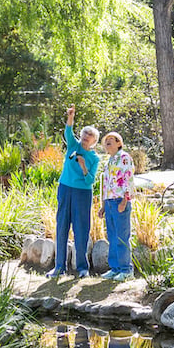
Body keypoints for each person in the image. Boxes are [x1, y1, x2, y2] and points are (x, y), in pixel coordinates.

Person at [46, 106, 100, 278]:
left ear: (94, 142)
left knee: (81, 229)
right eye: (84, 135)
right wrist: (71, 117)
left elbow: (90, 180)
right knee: (61, 227)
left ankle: (82, 268)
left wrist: (84, 166)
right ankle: (59, 267)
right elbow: (68, 131)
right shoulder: (73, 145)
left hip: (82, 193)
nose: (85, 138)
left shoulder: (94, 158)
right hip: (65, 189)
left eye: (89, 137)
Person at [97, 132, 135, 281]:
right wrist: (103, 205)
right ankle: (115, 268)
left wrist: (124, 201)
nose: (107, 143)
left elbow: (128, 180)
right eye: (106, 142)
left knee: (122, 237)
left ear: (119, 143)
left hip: (120, 201)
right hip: (110, 202)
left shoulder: (124, 158)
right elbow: (105, 185)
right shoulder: (109, 162)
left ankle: (126, 270)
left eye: (110, 141)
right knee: (112, 236)